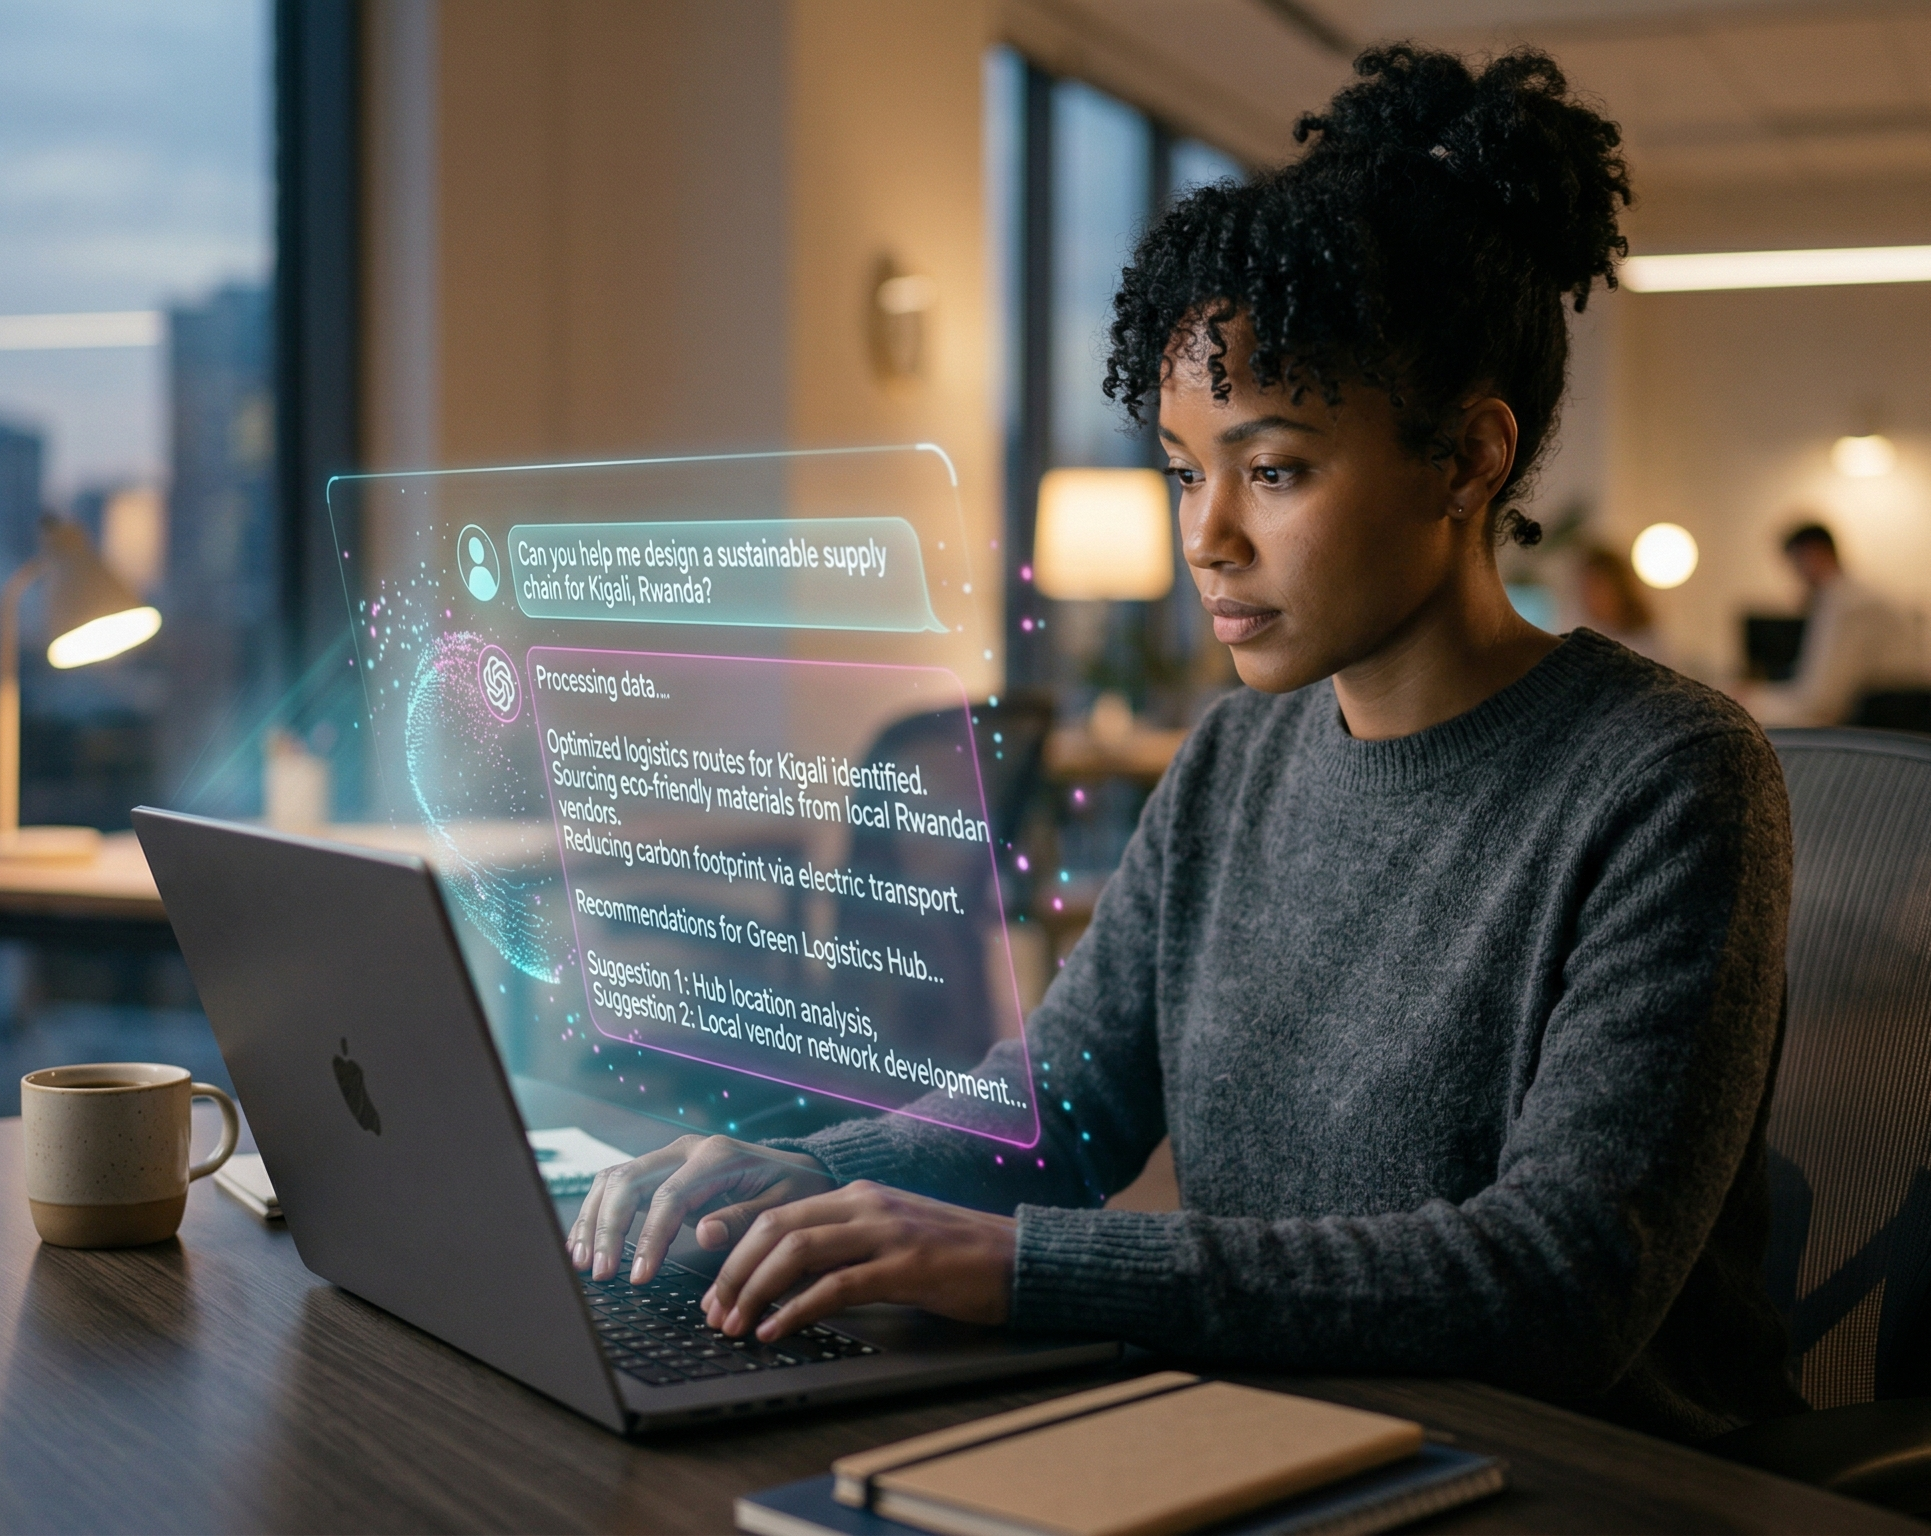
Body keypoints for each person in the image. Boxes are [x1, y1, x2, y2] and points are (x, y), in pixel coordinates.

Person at [570, 45, 1806, 1444]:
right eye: (1180, 469)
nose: (1203, 537)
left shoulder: (1668, 777)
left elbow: (1559, 1285)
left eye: (1273, 471)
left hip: (1586, 1479)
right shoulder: (1236, 759)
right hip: (1291, 1431)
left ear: (1467, 459)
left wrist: (1024, 1268)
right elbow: (1066, 1108)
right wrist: (788, 1176)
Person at [1745, 522, 1931, 728]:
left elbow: (1822, 700)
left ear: (1812, 553)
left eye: (1795, 564)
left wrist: (1751, 701)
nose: (1795, 577)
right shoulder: (1852, 595)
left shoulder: (1847, 604)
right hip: (1894, 721)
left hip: (1887, 727)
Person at [1574, 543, 1672, 667]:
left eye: (1599, 586)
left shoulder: (1647, 640)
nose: (1592, 596)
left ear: (1618, 586)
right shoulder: (1586, 641)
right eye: (1587, 588)